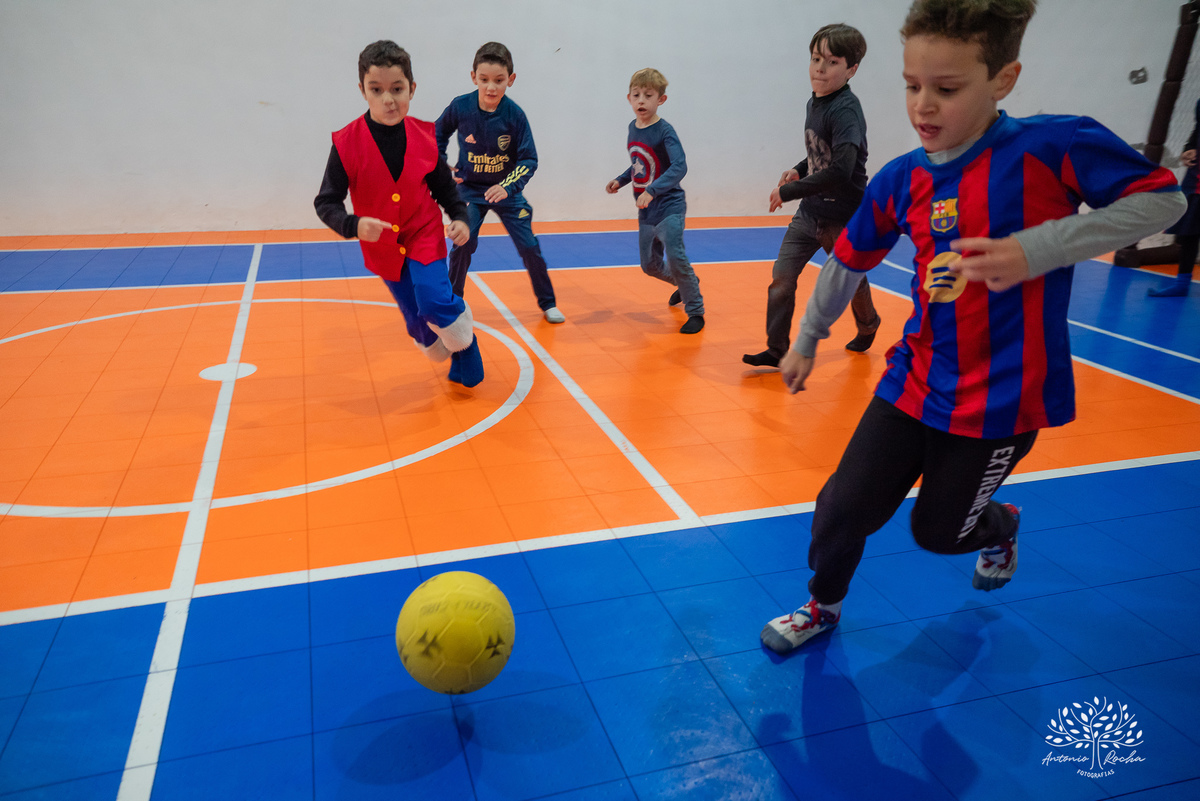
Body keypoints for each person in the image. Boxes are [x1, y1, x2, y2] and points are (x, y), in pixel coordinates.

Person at [761, 0, 1185, 655]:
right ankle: (824, 605)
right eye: (912, 85)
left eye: (947, 88)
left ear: (1003, 79)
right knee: (841, 508)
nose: (923, 105)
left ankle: (999, 523)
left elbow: (1164, 200)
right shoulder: (903, 178)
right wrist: (809, 338)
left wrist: (1037, 248)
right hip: (915, 379)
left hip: (1004, 399)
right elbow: (848, 261)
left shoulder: (1055, 146)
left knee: (938, 532)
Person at [314, 40, 484, 388]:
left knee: (434, 300)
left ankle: (466, 345)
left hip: (423, 233)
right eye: (376, 90)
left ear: (412, 89)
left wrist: (460, 218)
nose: (388, 99)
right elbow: (326, 202)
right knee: (416, 321)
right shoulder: (345, 143)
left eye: (397, 89)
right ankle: (444, 345)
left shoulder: (425, 136)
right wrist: (352, 224)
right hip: (382, 246)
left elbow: (445, 189)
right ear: (362, 91)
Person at [743, 23, 882, 369]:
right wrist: (798, 169)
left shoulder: (845, 111)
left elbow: (841, 169)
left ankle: (868, 324)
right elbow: (821, 153)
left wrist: (787, 191)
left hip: (841, 217)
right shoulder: (815, 101)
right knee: (781, 279)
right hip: (809, 214)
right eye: (816, 59)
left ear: (851, 70)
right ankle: (776, 350)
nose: (820, 68)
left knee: (849, 281)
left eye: (832, 62)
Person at [436, 42, 565, 324]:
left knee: (529, 246)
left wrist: (507, 186)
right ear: (474, 77)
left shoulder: (515, 115)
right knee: (462, 243)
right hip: (471, 190)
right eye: (484, 80)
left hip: (507, 192)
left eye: (498, 80)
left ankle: (548, 303)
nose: (491, 87)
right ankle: (453, 304)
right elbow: (436, 135)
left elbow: (529, 159)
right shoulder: (460, 106)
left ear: (511, 79)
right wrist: (441, 164)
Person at [606, 68, 706, 334]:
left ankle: (695, 311)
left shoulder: (665, 131)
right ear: (629, 98)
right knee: (649, 266)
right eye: (636, 95)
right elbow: (639, 165)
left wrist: (652, 190)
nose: (641, 100)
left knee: (675, 257)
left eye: (648, 95)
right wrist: (621, 180)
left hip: (669, 206)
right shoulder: (633, 128)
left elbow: (679, 166)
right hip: (646, 210)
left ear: (661, 99)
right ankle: (687, 283)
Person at [1149, 96, 1199, 297]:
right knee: (1189, 234)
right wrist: (1188, 149)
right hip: (1196, 181)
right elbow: (1197, 132)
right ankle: (1182, 284)